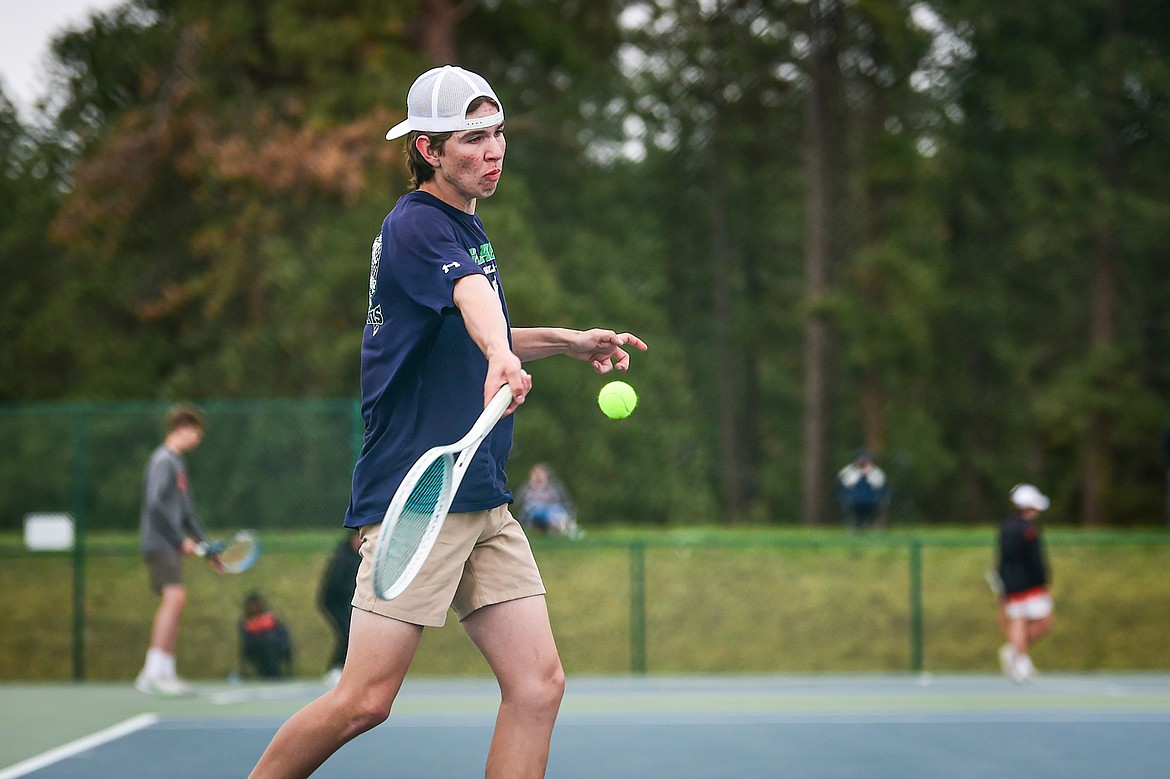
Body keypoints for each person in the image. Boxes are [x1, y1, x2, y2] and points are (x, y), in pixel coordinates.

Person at [248, 65, 648, 779]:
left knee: (537, 685)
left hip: (483, 496)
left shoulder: (464, 225)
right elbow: (472, 302)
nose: (493, 150)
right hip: (419, 498)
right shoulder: (416, 225)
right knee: (366, 698)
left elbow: (475, 321)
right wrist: (499, 351)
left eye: (498, 134)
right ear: (429, 149)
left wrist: (567, 341)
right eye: (473, 137)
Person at [135, 404, 221, 696]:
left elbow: (186, 512)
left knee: (177, 599)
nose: (197, 440)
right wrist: (177, 539)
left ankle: (165, 671)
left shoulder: (177, 464)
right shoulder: (164, 460)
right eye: (196, 433)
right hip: (159, 542)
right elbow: (155, 503)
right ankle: (152, 672)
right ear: (182, 428)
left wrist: (207, 548)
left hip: (167, 542)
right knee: (174, 597)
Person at [994, 483, 1053, 683]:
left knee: (1039, 621)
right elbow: (1031, 560)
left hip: (1017, 583)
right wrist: (1043, 581)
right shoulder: (1024, 529)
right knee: (1020, 620)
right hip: (1023, 584)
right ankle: (1020, 660)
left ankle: (1015, 652)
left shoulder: (1011, 527)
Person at [317, 531, 362, 686]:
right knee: (346, 633)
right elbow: (335, 584)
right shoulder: (343, 557)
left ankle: (344, 669)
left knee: (350, 633)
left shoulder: (357, 557)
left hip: (344, 603)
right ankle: (335, 670)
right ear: (352, 538)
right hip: (333, 602)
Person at [239, 591, 293, 679]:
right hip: (257, 650)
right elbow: (247, 641)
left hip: (275, 647)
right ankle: (273, 674)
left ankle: (273, 673)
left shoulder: (270, 618)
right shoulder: (246, 622)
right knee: (264, 645)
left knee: (269, 645)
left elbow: (282, 634)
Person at [515, 462, 578, 537]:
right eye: (535, 473)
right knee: (537, 510)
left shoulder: (555, 487)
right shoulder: (526, 489)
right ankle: (556, 525)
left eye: (540, 472)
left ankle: (557, 524)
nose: (538, 475)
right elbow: (519, 503)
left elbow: (565, 500)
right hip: (534, 512)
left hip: (554, 509)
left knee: (555, 511)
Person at [836, 449, 889, 530]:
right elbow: (842, 487)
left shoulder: (876, 472)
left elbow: (882, 489)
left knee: (869, 518)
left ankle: (867, 526)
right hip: (854, 502)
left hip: (871, 502)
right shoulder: (848, 471)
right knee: (855, 518)